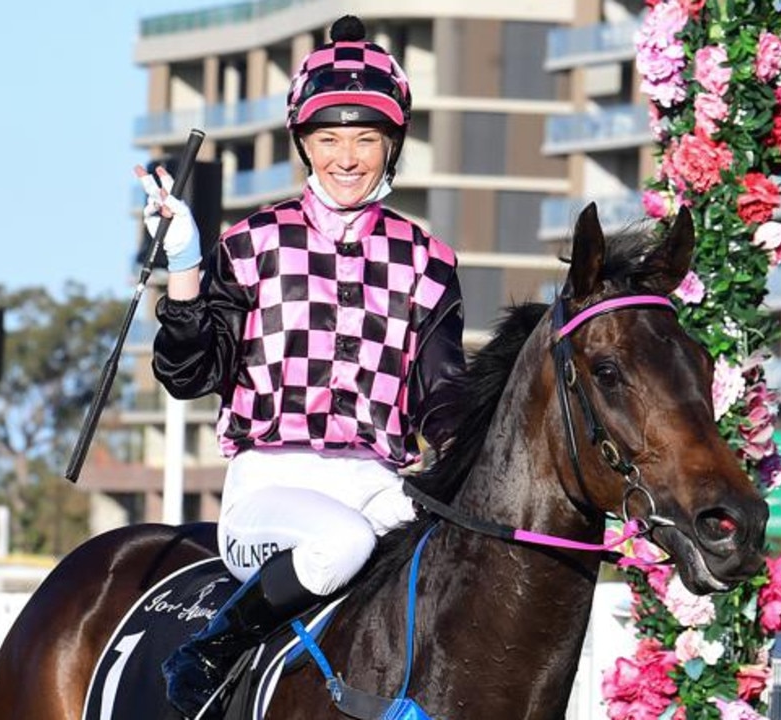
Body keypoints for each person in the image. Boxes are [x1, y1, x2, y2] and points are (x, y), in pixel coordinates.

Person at [138, 15, 465, 718]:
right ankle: (210, 652)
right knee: (341, 541)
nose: (346, 158)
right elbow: (190, 375)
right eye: (328, 139)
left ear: (392, 146)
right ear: (304, 145)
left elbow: (443, 396)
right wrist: (189, 266)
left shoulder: (429, 261)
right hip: (270, 487)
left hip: (380, 483)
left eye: (365, 139)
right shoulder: (251, 242)